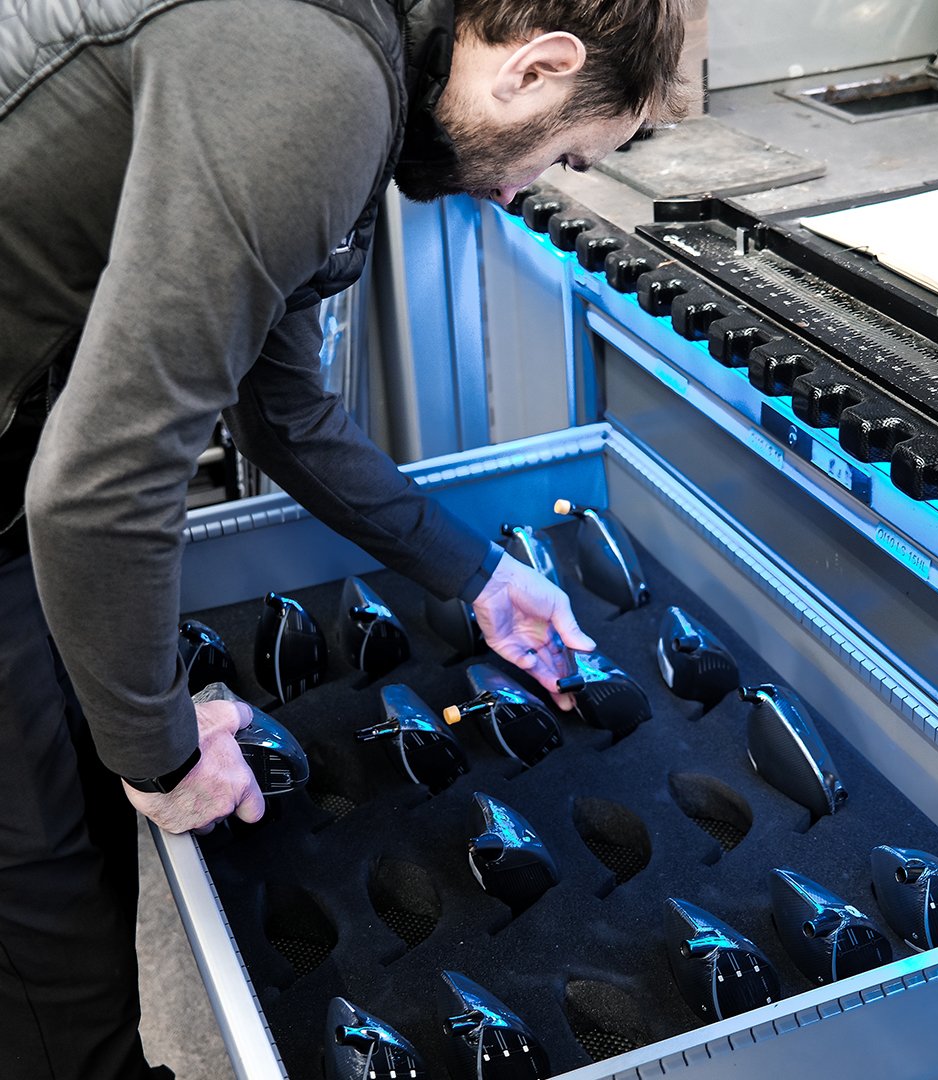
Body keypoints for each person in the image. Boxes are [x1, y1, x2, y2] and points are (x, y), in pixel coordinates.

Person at [0, 0, 690, 1076]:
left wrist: (481, 576)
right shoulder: (315, 76)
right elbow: (97, 490)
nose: (518, 192)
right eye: (563, 153)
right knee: (41, 886)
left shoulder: (355, 66)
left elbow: (286, 417)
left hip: (27, 419)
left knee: (76, 805)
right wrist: (162, 754)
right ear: (538, 68)